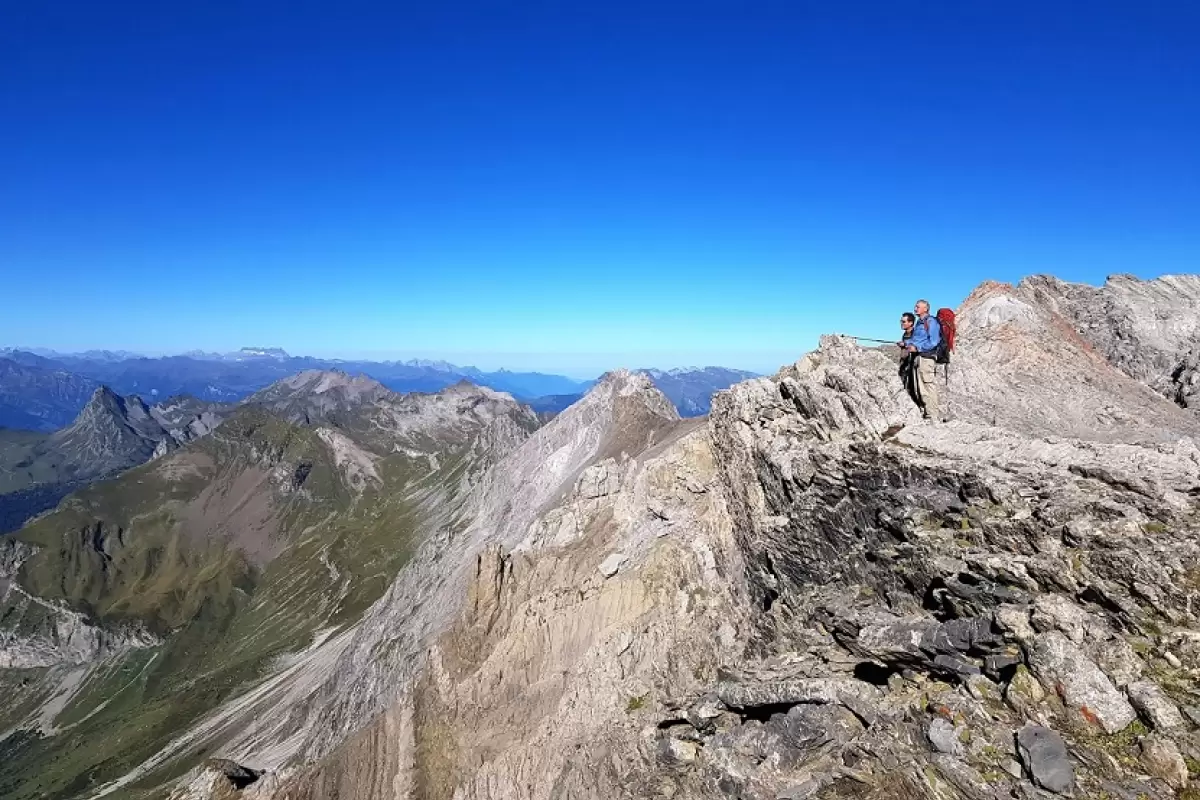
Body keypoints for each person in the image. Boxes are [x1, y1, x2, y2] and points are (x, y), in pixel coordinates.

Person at [900, 300, 942, 421]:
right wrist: (906, 343)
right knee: (920, 386)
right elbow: (918, 339)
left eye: (918, 306)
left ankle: (933, 415)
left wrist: (917, 348)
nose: (915, 308)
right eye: (915, 306)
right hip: (919, 357)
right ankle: (927, 412)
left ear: (926, 309)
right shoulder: (920, 323)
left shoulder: (931, 322)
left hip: (927, 357)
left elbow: (934, 341)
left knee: (928, 385)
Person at [897, 312, 924, 413]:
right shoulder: (905, 334)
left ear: (911, 323)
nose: (901, 323)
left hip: (913, 364)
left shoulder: (915, 333)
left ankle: (919, 408)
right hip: (905, 363)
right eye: (901, 321)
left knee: (914, 387)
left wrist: (905, 344)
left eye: (903, 321)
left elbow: (916, 346)